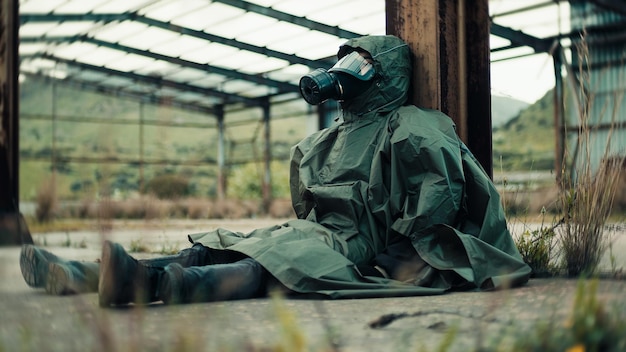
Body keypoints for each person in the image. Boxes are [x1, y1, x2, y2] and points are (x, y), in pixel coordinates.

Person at [20, 35, 531, 307]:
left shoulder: (410, 125)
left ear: (386, 73)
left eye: (361, 67)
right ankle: (83, 274)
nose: (348, 78)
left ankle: (171, 285)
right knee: (235, 239)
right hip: (320, 231)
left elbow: (435, 199)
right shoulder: (334, 131)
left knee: (280, 259)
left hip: (361, 242)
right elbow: (309, 201)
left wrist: (392, 256)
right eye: (346, 65)